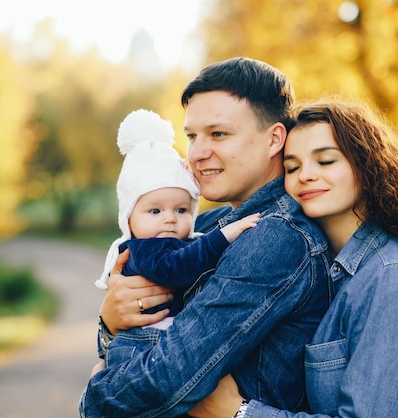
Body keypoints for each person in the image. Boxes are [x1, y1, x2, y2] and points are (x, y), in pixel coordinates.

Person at [189, 100, 398, 417]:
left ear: (367, 167)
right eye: (292, 167)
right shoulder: (321, 267)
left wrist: (238, 412)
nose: (306, 175)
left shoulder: (395, 279)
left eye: (325, 161)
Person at [80, 57, 332, 417]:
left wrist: (94, 401)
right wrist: (110, 322)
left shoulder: (275, 237)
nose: (197, 153)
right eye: (192, 136)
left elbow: (168, 377)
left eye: (218, 134)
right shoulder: (212, 223)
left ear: (275, 138)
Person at [94, 109, 259, 368]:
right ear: (129, 218)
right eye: (155, 211)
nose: (169, 219)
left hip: (160, 340)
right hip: (143, 343)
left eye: (181, 210)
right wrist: (223, 236)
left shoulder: (187, 237)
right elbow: (177, 267)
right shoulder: (143, 248)